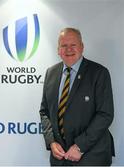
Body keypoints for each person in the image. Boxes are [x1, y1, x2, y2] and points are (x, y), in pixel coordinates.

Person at [39, 27, 115, 166]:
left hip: (91, 156)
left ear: (82, 47)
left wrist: (80, 146)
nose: (69, 49)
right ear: (58, 49)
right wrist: (51, 142)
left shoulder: (99, 73)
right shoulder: (51, 73)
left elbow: (105, 114)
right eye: (64, 45)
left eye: (73, 45)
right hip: (60, 158)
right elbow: (44, 112)